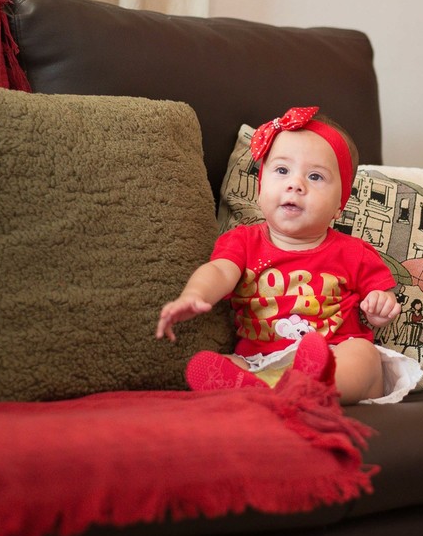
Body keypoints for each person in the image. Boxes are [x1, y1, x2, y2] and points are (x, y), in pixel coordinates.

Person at [156, 106, 400, 405]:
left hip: (334, 353)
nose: (295, 184)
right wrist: (194, 294)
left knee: (363, 355)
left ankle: (316, 385)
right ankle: (258, 389)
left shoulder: (353, 251)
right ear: (261, 188)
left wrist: (381, 308)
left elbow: (381, 295)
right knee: (227, 363)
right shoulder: (243, 242)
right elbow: (219, 271)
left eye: (315, 176)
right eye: (282, 170)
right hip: (262, 360)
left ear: (340, 205)